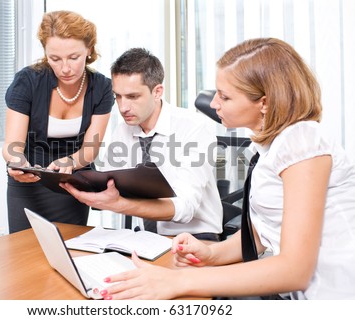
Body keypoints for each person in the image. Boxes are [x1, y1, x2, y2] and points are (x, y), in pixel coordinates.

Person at [97, 38, 355, 300]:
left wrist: (179, 281)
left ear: (264, 103)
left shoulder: (302, 140)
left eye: (225, 96)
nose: (214, 103)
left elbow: (294, 270)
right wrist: (212, 254)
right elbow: (259, 234)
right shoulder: (271, 148)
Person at [61, 48, 223, 241]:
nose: (122, 107)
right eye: (118, 97)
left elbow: (185, 207)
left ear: (157, 92)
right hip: (146, 239)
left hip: (196, 237)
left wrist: (119, 204)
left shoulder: (195, 128)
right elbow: (108, 185)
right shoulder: (124, 129)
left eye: (132, 97)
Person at [2, 11, 114, 233]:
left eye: (74, 57)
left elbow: (90, 150)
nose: (65, 68)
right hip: (29, 184)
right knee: (23, 254)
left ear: (89, 50)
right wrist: (17, 163)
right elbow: (12, 145)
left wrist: (70, 162)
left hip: (72, 182)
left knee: (71, 248)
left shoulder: (102, 87)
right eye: (55, 59)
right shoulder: (27, 82)